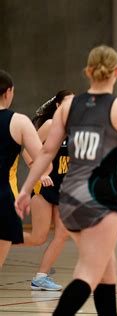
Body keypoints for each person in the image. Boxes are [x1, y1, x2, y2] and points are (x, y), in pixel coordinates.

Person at [15, 45, 117, 315]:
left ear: (87, 72)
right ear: (116, 72)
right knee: (88, 273)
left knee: (107, 273)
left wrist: (26, 189)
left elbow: (45, 152)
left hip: (69, 198)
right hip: (100, 197)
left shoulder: (68, 107)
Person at [21, 90, 74, 291]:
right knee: (38, 237)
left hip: (62, 189)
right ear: (59, 105)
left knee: (63, 233)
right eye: (68, 102)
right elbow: (26, 150)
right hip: (43, 187)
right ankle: (5, 238)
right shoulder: (51, 125)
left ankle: (41, 277)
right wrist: (40, 172)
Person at [0, 69, 43, 269]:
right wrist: (26, 190)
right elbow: (45, 161)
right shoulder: (19, 122)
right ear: (8, 92)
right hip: (2, 198)